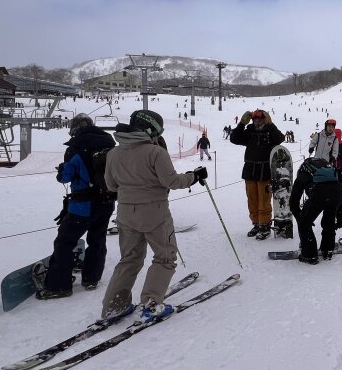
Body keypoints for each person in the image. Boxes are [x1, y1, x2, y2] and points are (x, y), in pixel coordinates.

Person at [99, 110, 206, 320]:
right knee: (165, 257)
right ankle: (151, 304)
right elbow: (172, 182)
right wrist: (193, 177)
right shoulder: (155, 152)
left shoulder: (113, 153)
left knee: (129, 259)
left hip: (125, 212)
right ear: (150, 130)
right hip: (154, 212)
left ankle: (114, 306)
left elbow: (111, 184)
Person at [37, 114, 117, 299]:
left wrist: (62, 171)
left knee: (64, 242)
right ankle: (91, 278)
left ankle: (59, 286)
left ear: (74, 130)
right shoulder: (109, 145)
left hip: (82, 205)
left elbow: (65, 176)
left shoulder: (75, 149)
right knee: (97, 240)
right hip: (107, 201)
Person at [230, 109, 284, 239]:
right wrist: (241, 124)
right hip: (250, 169)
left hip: (265, 170)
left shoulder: (269, 132)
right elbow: (234, 138)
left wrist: (271, 124)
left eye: (260, 120)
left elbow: (280, 138)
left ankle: (264, 225)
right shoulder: (249, 131)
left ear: (264, 120)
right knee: (252, 198)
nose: (257, 122)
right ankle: (256, 223)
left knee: (264, 199)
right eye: (255, 120)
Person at [290, 156, 342, 264]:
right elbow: (339, 190)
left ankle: (310, 256)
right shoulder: (328, 167)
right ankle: (327, 250)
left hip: (319, 194)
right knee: (329, 221)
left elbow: (294, 200)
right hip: (337, 193)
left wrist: (301, 218)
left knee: (304, 224)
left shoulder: (304, 172)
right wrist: (341, 217)